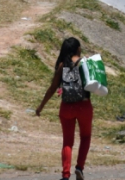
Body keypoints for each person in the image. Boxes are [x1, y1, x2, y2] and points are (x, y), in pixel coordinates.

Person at [36, 36, 92, 180]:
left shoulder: (62, 66)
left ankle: (65, 175)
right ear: (78, 49)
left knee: (67, 141)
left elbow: (52, 88)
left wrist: (41, 107)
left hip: (66, 107)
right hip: (84, 105)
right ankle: (79, 167)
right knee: (85, 137)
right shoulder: (84, 63)